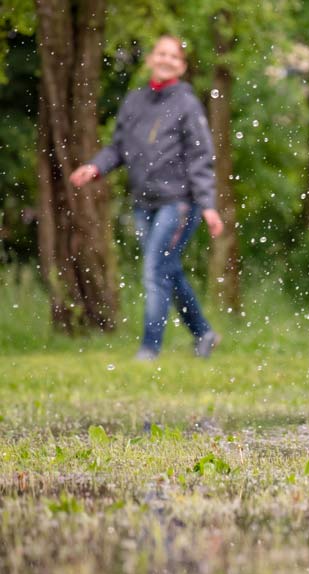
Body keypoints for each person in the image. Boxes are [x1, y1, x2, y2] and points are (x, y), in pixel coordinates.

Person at [71, 35, 224, 360]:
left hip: (179, 202)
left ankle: (149, 350)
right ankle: (204, 333)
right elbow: (117, 148)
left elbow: (201, 157)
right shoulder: (135, 102)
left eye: (174, 56)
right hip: (144, 203)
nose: (167, 59)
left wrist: (208, 206)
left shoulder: (187, 104)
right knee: (168, 270)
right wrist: (94, 168)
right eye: (162, 53)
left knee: (155, 271)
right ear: (152, 59)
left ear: (181, 66)